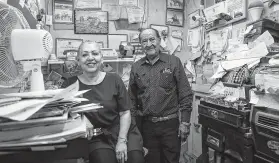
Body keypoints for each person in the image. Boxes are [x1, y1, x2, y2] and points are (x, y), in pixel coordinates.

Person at [63, 41, 144, 163]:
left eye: (95, 53)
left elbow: (125, 112)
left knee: (135, 159)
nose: (90, 58)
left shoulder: (114, 79)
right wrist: (81, 119)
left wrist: (122, 141)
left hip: (124, 131)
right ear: (78, 60)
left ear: (101, 58)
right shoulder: (69, 84)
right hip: (97, 136)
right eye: (85, 55)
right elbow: (63, 113)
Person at [128, 28, 193, 163]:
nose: (149, 44)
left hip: (170, 125)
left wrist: (185, 122)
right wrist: (134, 127)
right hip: (146, 126)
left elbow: (185, 93)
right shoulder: (136, 67)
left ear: (159, 40)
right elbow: (131, 100)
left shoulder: (173, 62)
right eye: (144, 41)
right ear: (141, 45)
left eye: (152, 39)